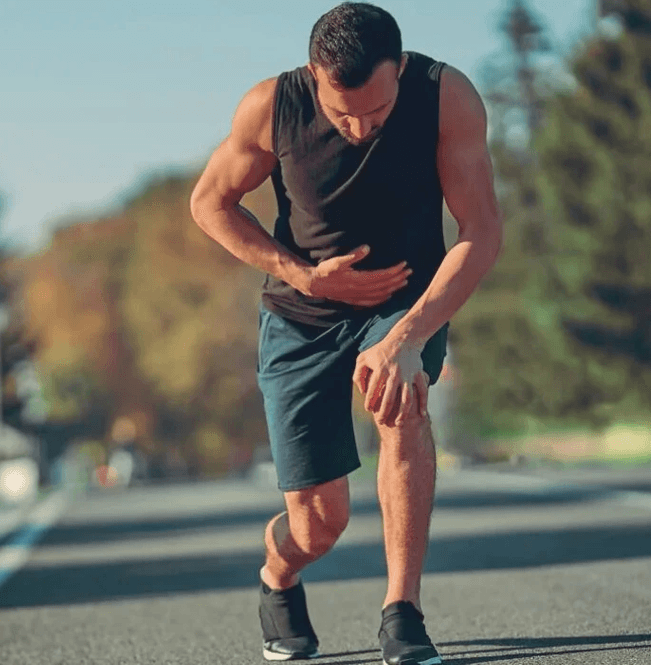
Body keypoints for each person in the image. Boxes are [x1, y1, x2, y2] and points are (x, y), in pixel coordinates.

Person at [189, 3, 502, 663]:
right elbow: (209, 202)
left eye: (377, 113)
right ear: (313, 75)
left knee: (404, 396)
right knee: (320, 521)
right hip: (298, 317)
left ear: (400, 70)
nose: (360, 126)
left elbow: (481, 233)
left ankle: (403, 611)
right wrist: (297, 272)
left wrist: (410, 333)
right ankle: (278, 574)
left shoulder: (445, 97)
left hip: (404, 301)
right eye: (343, 114)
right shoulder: (271, 107)